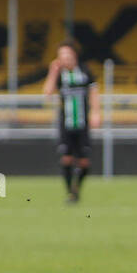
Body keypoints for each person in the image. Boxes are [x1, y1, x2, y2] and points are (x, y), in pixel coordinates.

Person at [41, 41, 101, 202]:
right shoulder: (59, 74)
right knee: (66, 158)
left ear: (74, 54)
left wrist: (96, 112)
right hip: (65, 123)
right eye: (62, 55)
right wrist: (52, 72)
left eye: (67, 54)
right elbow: (47, 93)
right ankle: (70, 193)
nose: (65, 58)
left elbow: (94, 91)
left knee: (84, 162)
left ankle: (76, 189)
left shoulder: (85, 71)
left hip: (82, 123)